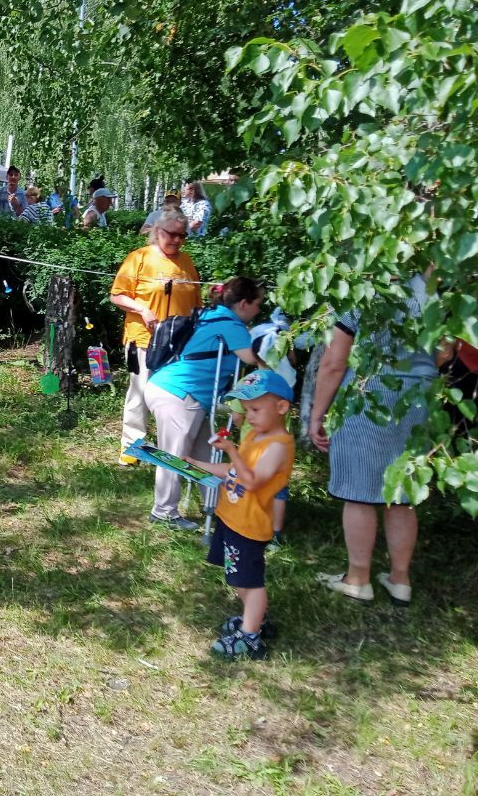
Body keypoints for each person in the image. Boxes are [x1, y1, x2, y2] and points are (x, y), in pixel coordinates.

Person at [309, 275, 438, 606]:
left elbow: (334, 363)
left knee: (359, 493)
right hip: (418, 402)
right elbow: (445, 351)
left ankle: (358, 578)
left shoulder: (365, 289)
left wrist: (317, 415)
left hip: (368, 397)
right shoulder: (435, 289)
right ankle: (400, 579)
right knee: (402, 494)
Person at [186, 369, 295, 660]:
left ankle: (250, 636)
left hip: (250, 526)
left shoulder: (278, 446)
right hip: (232, 518)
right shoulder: (256, 437)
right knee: (236, 578)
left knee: (248, 581)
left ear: (281, 407)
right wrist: (197, 463)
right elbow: (233, 472)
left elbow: (253, 481)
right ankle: (254, 618)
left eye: (256, 410)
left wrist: (232, 450)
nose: (250, 417)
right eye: (246, 410)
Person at [143, 277, 263, 529]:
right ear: (243, 304)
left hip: (176, 391)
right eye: (258, 304)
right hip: (180, 393)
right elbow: (252, 359)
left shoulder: (209, 316)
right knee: (174, 453)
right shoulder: (231, 324)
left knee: (206, 453)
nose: (259, 311)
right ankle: (163, 512)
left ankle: (221, 508)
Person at [110, 209, 202, 465]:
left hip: (179, 343)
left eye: (182, 236)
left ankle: (172, 449)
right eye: (172, 234)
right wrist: (142, 309)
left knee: (173, 397)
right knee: (140, 393)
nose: (177, 240)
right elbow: (117, 295)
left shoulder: (187, 263)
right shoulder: (138, 258)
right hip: (143, 339)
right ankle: (132, 448)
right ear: (157, 232)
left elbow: (196, 304)